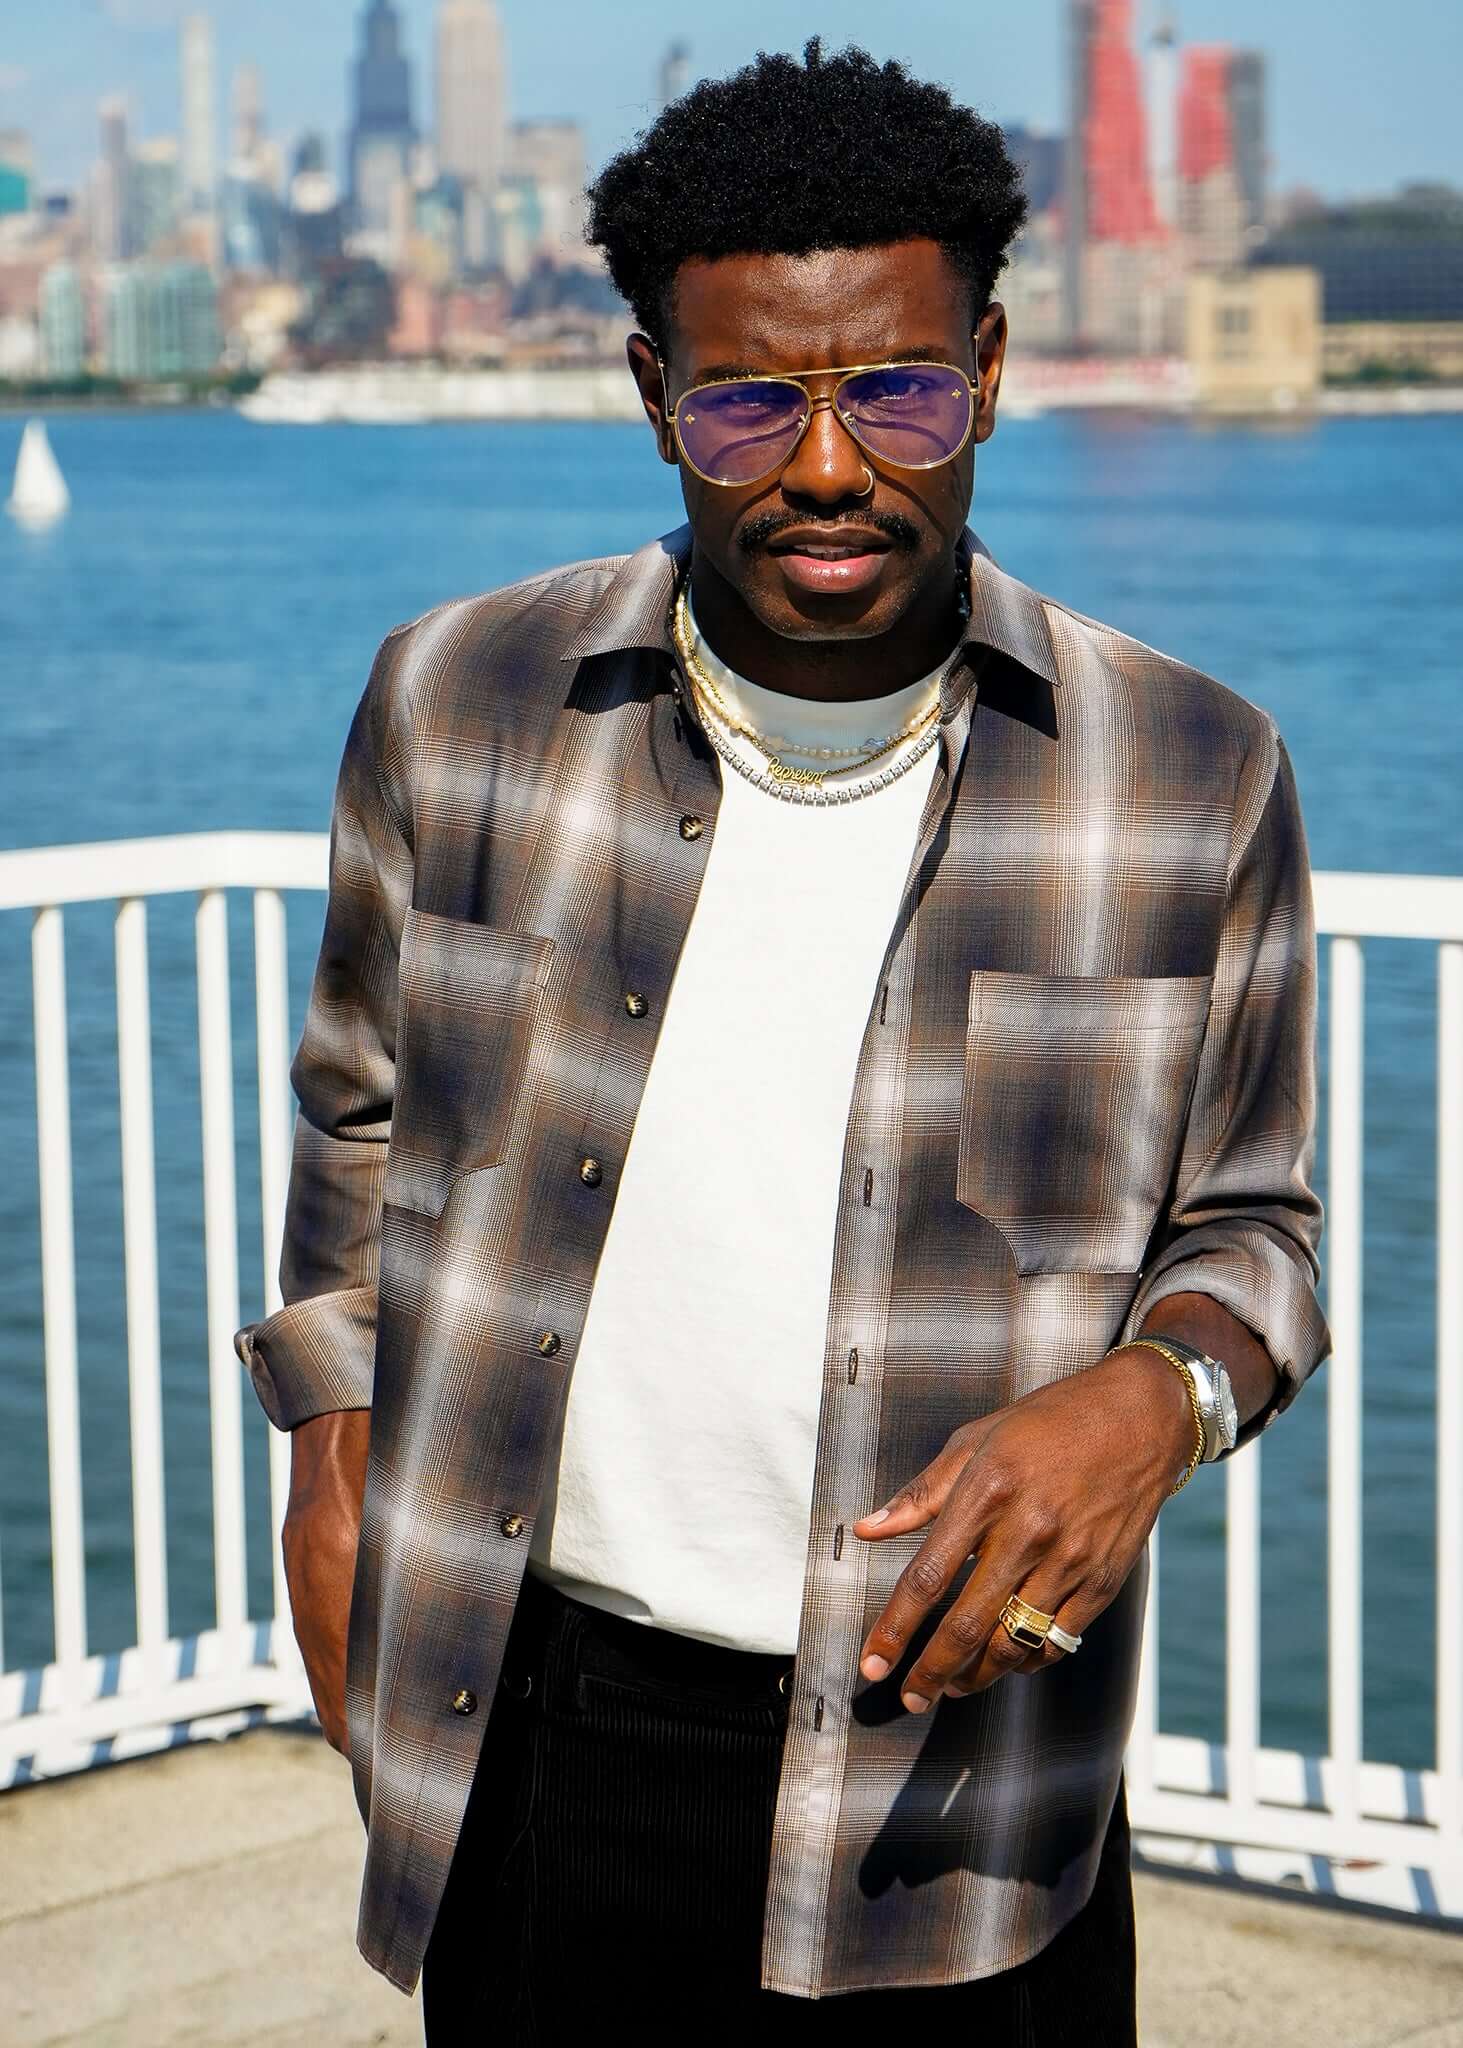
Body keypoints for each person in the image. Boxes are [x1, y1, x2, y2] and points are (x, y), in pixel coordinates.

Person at [234, 41, 1328, 2045]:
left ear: (987, 374)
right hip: (544, 1743)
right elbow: (360, 1115)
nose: (831, 468)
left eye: (897, 388)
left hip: (970, 1776)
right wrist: (326, 1445)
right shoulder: (458, 701)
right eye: (750, 401)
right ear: (656, 398)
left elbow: (1261, 1229)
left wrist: (1154, 1402)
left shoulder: (1190, 773)